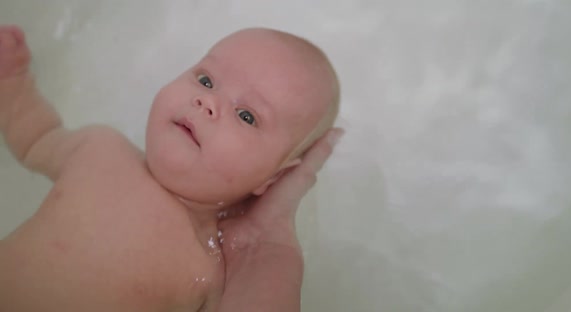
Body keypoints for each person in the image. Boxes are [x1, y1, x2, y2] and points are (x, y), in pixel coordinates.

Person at [0, 24, 341, 311]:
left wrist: (271, 247)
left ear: (274, 178)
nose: (207, 102)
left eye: (246, 116)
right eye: (206, 80)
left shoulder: (214, 268)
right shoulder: (98, 147)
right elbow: (37, 138)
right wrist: (12, 82)